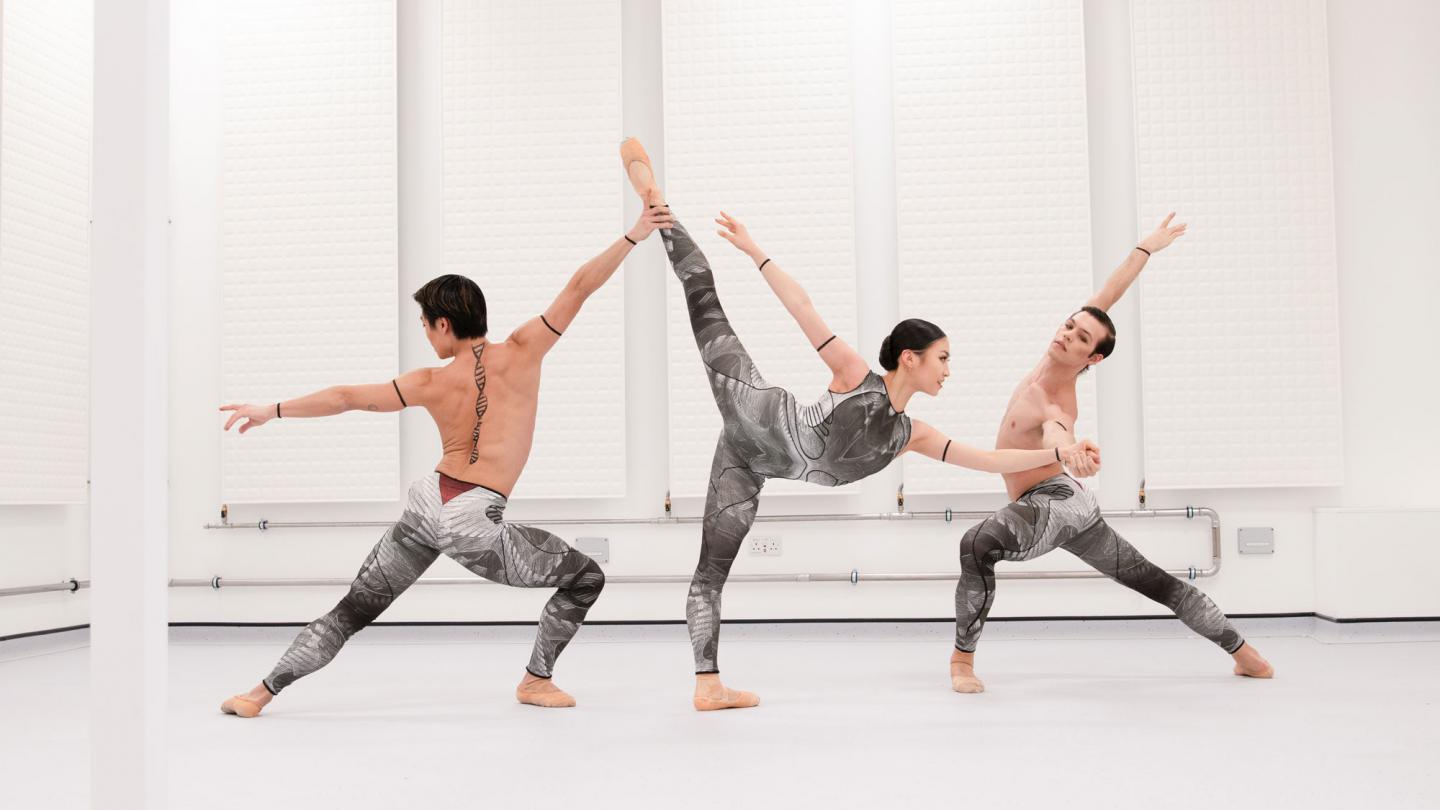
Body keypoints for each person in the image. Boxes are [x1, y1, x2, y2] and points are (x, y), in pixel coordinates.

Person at [619, 139, 1099, 710]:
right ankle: (658, 206)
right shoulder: (855, 374)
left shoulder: (910, 435)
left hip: (749, 461)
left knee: (712, 569)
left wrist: (1060, 459)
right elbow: (803, 309)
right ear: (910, 358)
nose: (949, 370)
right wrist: (754, 250)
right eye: (943, 357)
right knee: (703, 294)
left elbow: (991, 460)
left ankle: (707, 686)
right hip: (755, 410)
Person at [216, 204, 673, 715]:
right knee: (586, 577)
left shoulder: (429, 382)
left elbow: (345, 396)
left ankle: (258, 694)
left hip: (426, 503)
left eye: (426, 325)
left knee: (352, 610)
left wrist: (270, 411)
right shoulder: (525, 348)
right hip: (472, 519)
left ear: (444, 323)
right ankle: (535, 681)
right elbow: (579, 287)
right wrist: (635, 235)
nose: (426, 335)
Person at [948, 214, 1274, 694]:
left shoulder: (1055, 401)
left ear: (1093, 359)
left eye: (1080, 338)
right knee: (1153, 581)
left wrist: (1071, 451)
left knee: (976, 546)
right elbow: (1107, 295)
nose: (1067, 335)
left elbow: (1058, 436)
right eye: (1068, 326)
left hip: (1054, 503)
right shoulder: (1051, 357)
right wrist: (1145, 248)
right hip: (1072, 509)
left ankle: (962, 664)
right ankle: (1248, 656)